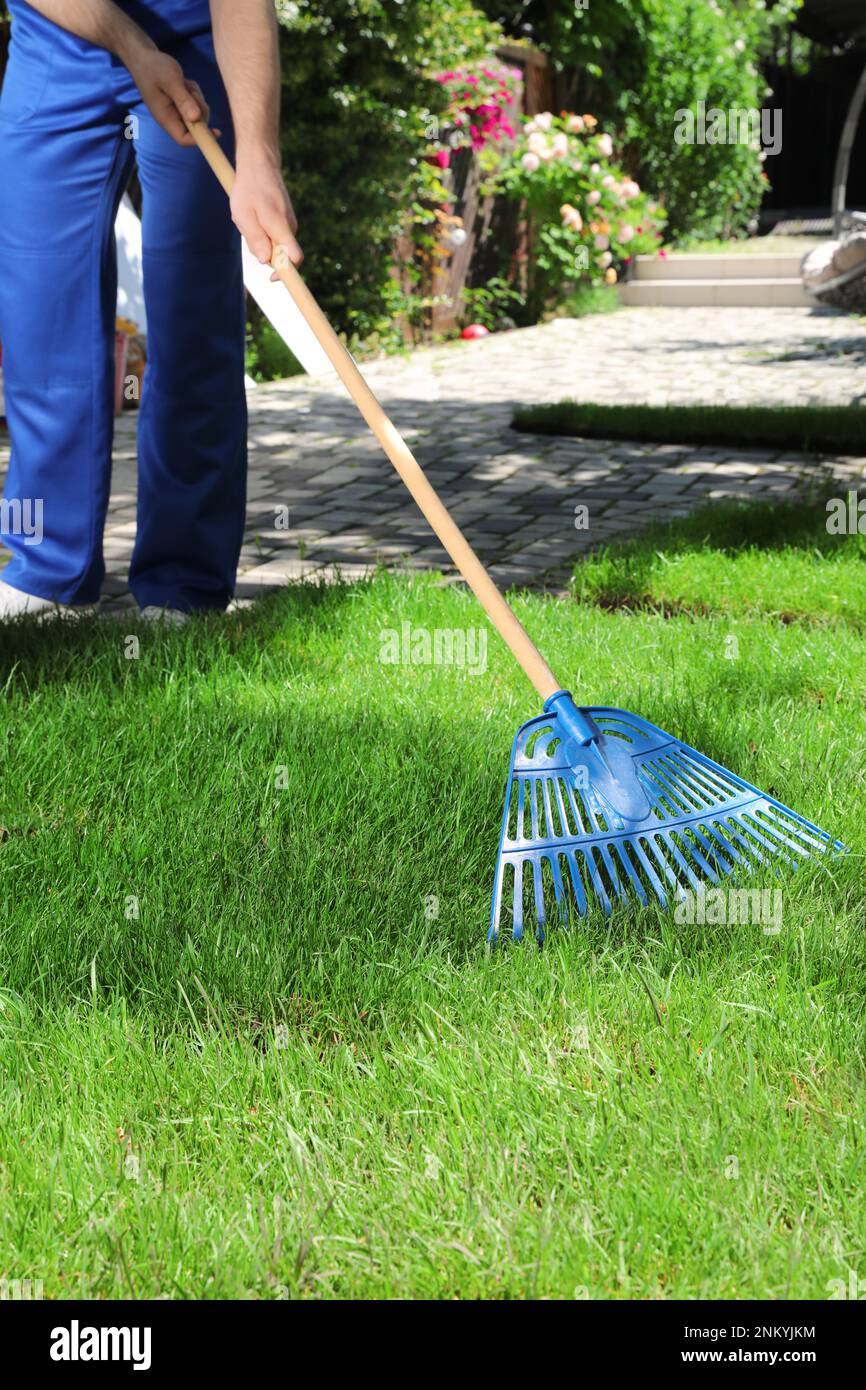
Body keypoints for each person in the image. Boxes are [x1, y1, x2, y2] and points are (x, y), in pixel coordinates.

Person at [0, 0, 302, 620]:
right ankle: (43, 568)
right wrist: (132, 47)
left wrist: (258, 160)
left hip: (194, 40)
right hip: (53, 38)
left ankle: (183, 584)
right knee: (40, 323)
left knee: (193, 318)